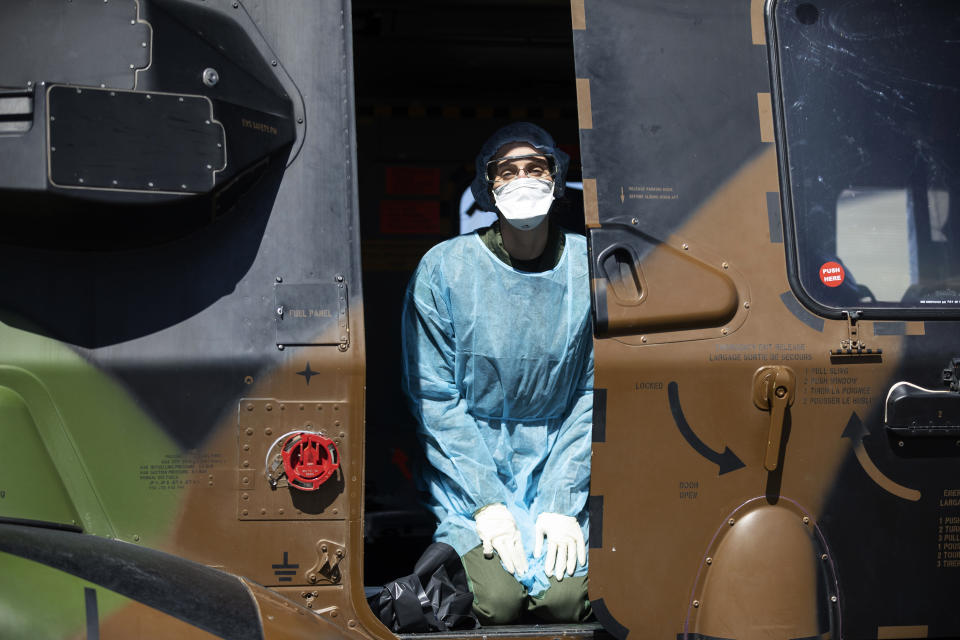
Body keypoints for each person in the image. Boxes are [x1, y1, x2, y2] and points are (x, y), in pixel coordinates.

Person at [401, 122, 593, 624]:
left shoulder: (586, 268)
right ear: (489, 188)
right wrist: (486, 503)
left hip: (560, 462)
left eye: (536, 167)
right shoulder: (445, 269)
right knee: (501, 601)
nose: (523, 178)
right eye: (507, 171)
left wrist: (560, 502)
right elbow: (434, 399)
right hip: (470, 467)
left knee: (565, 600)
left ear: (556, 178)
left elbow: (591, 395)